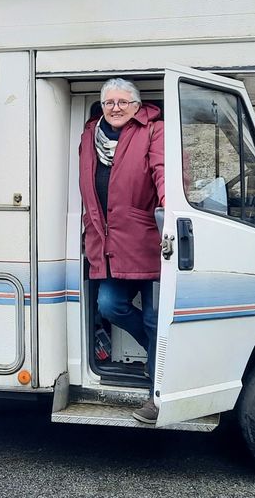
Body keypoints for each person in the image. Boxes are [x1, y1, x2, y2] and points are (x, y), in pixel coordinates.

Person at [78, 78, 166, 424]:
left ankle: (157, 394)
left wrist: (170, 210)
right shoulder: (89, 135)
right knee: (109, 305)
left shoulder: (152, 131)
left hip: (150, 239)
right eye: (109, 102)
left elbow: (163, 172)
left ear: (136, 106)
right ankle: (156, 357)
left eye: (122, 102)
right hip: (107, 239)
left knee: (154, 317)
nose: (115, 107)